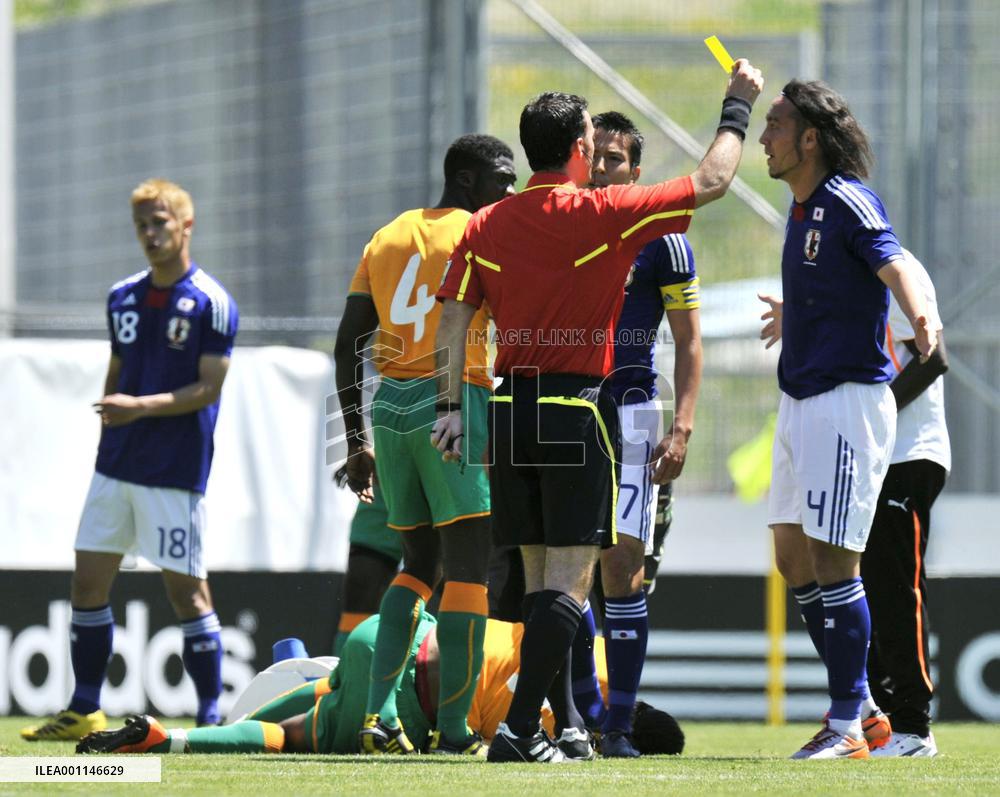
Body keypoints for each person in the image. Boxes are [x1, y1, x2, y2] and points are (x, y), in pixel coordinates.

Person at [432, 60, 764, 763]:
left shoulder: (487, 222)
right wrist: (737, 106)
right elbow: (712, 181)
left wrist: (451, 405)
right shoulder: (602, 213)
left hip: (507, 409)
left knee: (536, 578)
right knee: (571, 579)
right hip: (574, 411)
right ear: (580, 148)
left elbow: (453, 318)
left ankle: (559, 728)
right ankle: (521, 729)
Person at [756, 80, 937, 759]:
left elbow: (893, 263)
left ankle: (846, 725)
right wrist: (798, 313)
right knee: (791, 555)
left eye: (775, 125)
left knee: (836, 561)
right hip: (799, 398)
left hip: (844, 400)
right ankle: (862, 708)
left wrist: (921, 315)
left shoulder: (847, 199)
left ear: (810, 139)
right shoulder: (802, 209)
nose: (765, 138)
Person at [21, 179, 239, 741]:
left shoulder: (211, 302)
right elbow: (117, 370)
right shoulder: (122, 296)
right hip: (116, 465)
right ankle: (84, 707)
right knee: (87, 583)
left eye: (158, 222)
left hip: (174, 470)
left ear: (186, 225)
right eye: (141, 224)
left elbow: (208, 389)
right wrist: (111, 422)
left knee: (186, 593)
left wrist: (138, 407)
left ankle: (209, 716)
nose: (148, 233)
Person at [333, 134, 517, 756]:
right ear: (465, 180)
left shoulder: (386, 236)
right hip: (454, 400)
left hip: (390, 409)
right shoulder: (483, 234)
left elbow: (348, 343)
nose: (510, 189)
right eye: (501, 177)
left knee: (416, 566)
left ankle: (379, 716)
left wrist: (356, 440)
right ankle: (456, 731)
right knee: (468, 573)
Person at [75, 614, 685, 757]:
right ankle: (173, 740)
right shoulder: (566, 735)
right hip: (418, 704)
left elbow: (565, 618)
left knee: (327, 687)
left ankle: (181, 734)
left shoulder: (595, 656)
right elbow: (504, 736)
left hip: (396, 633)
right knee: (289, 738)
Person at [569, 111, 703, 757]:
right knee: (564, 569)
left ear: (636, 170)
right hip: (565, 412)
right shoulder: (561, 222)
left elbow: (690, 342)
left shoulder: (664, 239)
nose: (601, 168)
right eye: (593, 155)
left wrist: (682, 425)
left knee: (622, 569)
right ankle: (584, 716)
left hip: (632, 417)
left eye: (614, 158)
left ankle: (618, 727)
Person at [863, 250, 949, 757]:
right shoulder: (853, 273)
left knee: (897, 588)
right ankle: (880, 724)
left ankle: (914, 728)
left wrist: (876, 414)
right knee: (869, 588)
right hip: (875, 457)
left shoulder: (896, 267)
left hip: (909, 453)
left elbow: (934, 357)